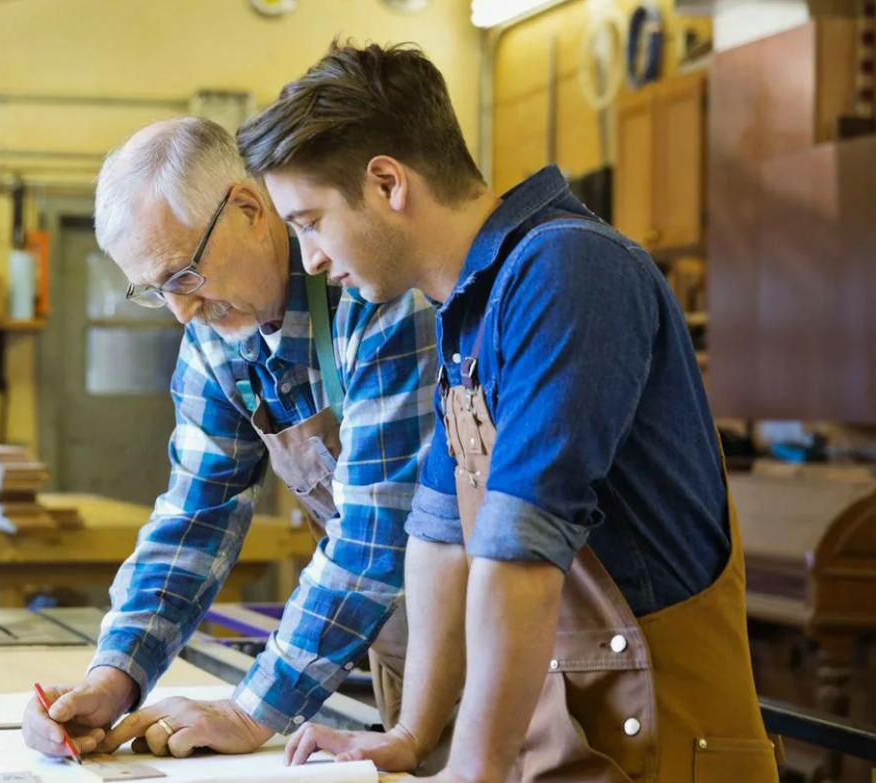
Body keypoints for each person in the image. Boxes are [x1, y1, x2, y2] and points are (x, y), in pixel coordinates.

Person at [236, 42, 779, 783]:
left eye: (309, 222)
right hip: (588, 738)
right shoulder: (467, 306)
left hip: (668, 749)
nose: (311, 259)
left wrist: (471, 771)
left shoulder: (567, 270)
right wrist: (410, 733)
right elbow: (437, 538)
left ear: (387, 181)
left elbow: (518, 552)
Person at [21, 117, 441, 764]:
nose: (181, 312)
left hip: (519, 651)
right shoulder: (217, 339)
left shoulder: (378, 299)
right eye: (154, 292)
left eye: (184, 275)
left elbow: (374, 532)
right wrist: (114, 677)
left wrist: (251, 710)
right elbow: (195, 516)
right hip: (402, 656)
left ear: (248, 209)